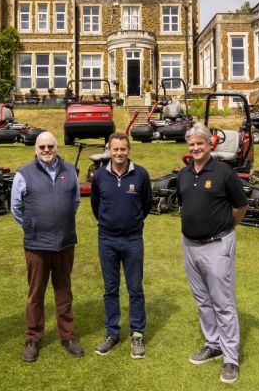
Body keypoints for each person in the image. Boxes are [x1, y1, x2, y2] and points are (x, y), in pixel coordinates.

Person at [176, 123, 248, 384]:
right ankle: (213, 344)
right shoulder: (184, 173)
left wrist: (226, 228)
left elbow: (241, 205)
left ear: (210, 144)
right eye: (191, 144)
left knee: (223, 303)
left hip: (217, 245)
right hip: (190, 246)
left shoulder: (223, 172)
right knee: (203, 300)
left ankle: (230, 359)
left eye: (200, 143)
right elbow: (185, 204)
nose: (195, 147)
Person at [11, 131, 84, 362]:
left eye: (50, 146)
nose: (46, 150)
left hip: (64, 243)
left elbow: (74, 202)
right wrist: (33, 228)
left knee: (64, 292)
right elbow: (16, 207)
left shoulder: (70, 170)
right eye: (41, 147)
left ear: (57, 147)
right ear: (35, 149)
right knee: (35, 294)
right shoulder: (24, 174)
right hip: (37, 245)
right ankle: (33, 337)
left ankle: (67, 336)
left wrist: (59, 226)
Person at [90, 132, 152, 359]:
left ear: (128, 150)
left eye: (123, 149)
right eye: (115, 149)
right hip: (106, 239)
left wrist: (131, 224)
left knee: (135, 289)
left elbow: (146, 204)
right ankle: (112, 333)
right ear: (109, 150)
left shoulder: (141, 174)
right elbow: (96, 206)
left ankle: (137, 334)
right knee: (111, 289)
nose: (119, 153)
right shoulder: (99, 176)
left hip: (133, 240)